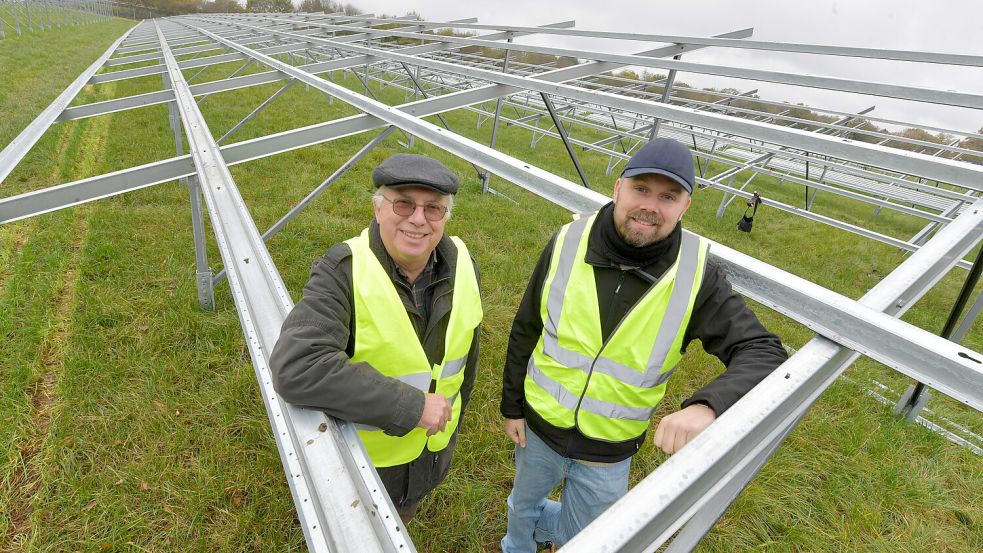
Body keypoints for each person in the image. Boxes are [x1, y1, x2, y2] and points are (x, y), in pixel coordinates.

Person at [499, 138, 788, 552]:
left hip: (609, 450)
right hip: (538, 429)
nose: (651, 206)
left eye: (668, 196)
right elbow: (526, 327)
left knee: (592, 540)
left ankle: (556, 532)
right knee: (521, 506)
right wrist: (512, 407)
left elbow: (765, 352)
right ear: (618, 189)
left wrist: (707, 406)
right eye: (641, 190)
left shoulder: (696, 276)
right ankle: (516, 545)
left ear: (685, 206)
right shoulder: (567, 241)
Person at [270, 153, 482, 525]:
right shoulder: (343, 269)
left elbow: (466, 356)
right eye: (404, 204)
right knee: (359, 527)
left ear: (446, 217)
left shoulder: (463, 262)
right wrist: (412, 406)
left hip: (430, 454)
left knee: (400, 520)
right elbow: (297, 366)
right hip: (362, 464)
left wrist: (449, 431)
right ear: (378, 208)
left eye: (434, 209)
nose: (418, 219)